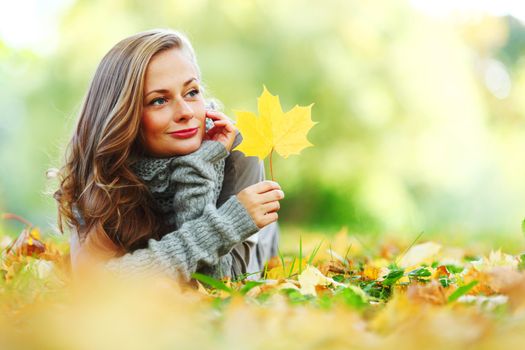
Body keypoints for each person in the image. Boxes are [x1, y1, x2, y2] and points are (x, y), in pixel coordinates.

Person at [54, 28, 284, 281]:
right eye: (158, 101)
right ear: (123, 116)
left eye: (192, 92)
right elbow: (97, 284)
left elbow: (220, 284)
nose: (185, 111)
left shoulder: (237, 151)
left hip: (261, 249)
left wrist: (199, 165)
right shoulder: (102, 171)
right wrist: (223, 226)